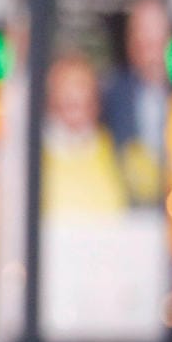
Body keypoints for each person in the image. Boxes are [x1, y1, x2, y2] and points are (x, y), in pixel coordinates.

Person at [102, 0, 170, 206]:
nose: (148, 49)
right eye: (139, 37)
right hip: (129, 222)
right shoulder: (111, 94)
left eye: (155, 40)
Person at [43, 52, 128, 219]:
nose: (75, 93)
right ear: (51, 97)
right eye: (67, 85)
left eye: (82, 85)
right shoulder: (33, 152)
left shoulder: (113, 147)